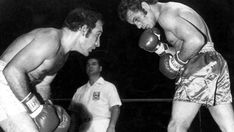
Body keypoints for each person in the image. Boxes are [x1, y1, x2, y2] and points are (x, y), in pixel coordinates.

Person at [118, 0, 234, 132]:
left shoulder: (166, 15)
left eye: (137, 19)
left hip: (199, 64)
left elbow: (196, 41)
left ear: (144, 6)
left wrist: (175, 63)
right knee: (229, 127)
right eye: (135, 23)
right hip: (213, 61)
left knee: (176, 127)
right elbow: (190, 46)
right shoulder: (172, 9)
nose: (138, 26)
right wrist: (161, 48)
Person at [0, 7, 104, 132]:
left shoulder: (63, 55)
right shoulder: (51, 38)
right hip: (5, 80)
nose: (98, 43)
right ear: (84, 29)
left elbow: (43, 85)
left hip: (13, 87)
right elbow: (11, 71)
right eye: (97, 35)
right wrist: (35, 109)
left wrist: (47, 107)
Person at [69, 56, 122, 132]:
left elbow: (115, 108)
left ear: (100, 68)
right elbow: (74, 114)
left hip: (102, 125)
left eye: (94, 64)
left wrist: (111, 127)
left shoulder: (108, 86)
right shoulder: (80, 90)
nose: (90, 66)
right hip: (84, 126)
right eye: (88, 64)